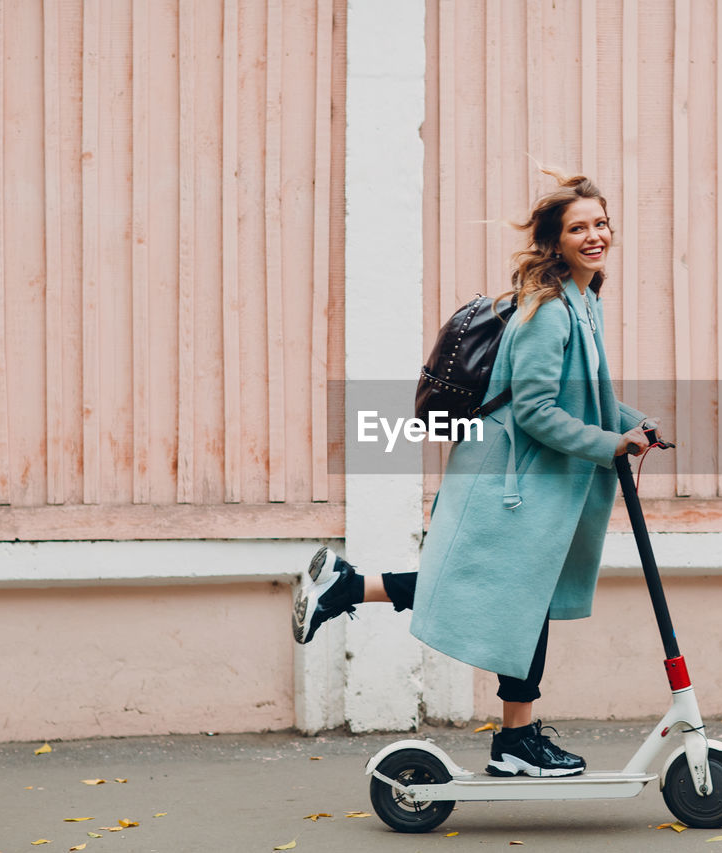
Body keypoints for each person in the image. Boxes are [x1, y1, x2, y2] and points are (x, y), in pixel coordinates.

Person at [293, 170, 658, 778]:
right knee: (510, 595)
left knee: (514, 596)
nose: (594, 235)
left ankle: (349, 590)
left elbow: (583, 394)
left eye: (600, 223)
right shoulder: (549, 312)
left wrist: (633, 422)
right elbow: (538, 410)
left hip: (535, 479)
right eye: (578, 228)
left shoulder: (583, 299)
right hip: (512, 479)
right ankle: (515, 742)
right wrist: (608, 445)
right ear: (555, 240)